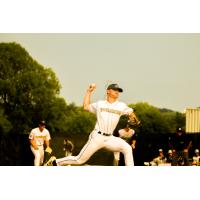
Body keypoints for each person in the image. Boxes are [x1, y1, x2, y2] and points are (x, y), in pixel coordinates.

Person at [50, 83, 140, 166]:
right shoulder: (100, 104)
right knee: (79, 160)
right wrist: (89, 92)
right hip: (97, 137)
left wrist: (134, 118)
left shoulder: (121, 106)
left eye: (118, 91)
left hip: (109, 138)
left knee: (127, 148)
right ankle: (56, 162)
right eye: (115, 90)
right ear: (108, 91)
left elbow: (131, 112)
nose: (117, 92)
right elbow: (86, 107)